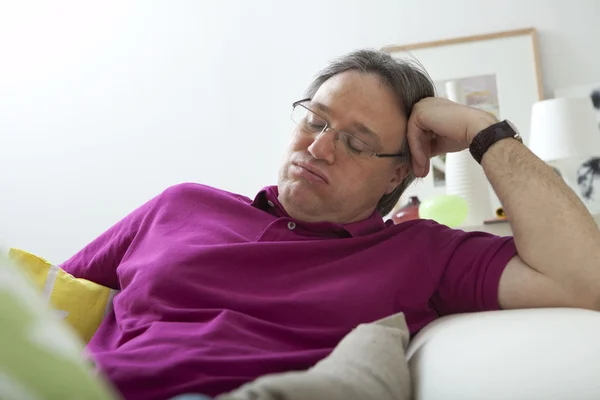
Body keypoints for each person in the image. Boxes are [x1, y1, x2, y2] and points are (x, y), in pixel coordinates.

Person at [61, 50, 600, 400]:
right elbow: (41, 298)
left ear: (399, 171)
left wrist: (485, 132)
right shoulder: (180, 205)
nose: (317, 147)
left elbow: (584, 278)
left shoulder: (423, 253)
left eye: (355, 141)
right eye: (315, 120)